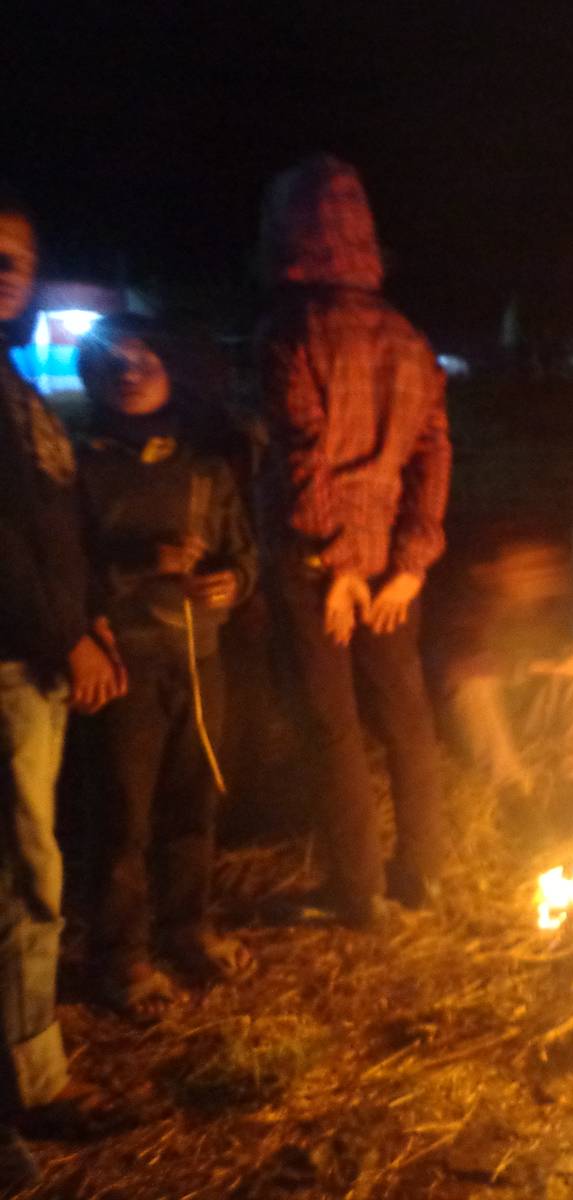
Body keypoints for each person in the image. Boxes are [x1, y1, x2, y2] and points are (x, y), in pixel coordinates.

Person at [258, 155, 452, 929]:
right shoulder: (408, 337)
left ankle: (360, 889)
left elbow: (303, 454)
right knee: (405, 713)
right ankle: (424, 873)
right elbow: (434, 453)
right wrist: (408, 566)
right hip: (389, 561)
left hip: (317, 560)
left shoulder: (291, 331)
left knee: (333, 725)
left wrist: (336, 565)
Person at [75, 317, 257, 1021]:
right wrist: (138, 570)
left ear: (167, 365)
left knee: (195, 803)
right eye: (112, 360)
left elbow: (242, 555)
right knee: (122, 816)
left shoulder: (205, 466)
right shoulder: (81, 466)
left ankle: (188, 931)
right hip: (124, 665)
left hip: (198, 656)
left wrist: (231, 585)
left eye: (144, 354)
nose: (130, 368)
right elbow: (64, 575)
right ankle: (119, 959)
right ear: (93, 378)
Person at [0, 192, 128, 1179]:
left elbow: (56, 524)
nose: (9, 266)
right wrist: (58, 634)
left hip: (38, 656)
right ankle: (29, 1090)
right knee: (21, 880)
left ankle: (31, 1076)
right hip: (8, 663)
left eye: (22, 256)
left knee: (30, 872)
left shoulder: (17, 386)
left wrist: (89, 619)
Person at [429, 530, 573, 833]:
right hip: (483, 731)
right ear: (492, 573)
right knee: (472, 684)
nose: (540, 574)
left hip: (528, 722)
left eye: (544, 565)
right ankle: (514, 796)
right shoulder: (469, 610)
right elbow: (459, 664)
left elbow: (563, 652)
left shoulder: (550, 611)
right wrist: (542, 665)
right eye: (526, 567)